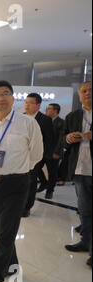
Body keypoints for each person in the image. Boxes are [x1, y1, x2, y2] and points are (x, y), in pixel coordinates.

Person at [0, 80, 43, 282]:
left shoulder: (27, 123)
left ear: (13, 98)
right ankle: (12, 262)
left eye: (6, 93)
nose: (1, 98)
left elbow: (36, 155)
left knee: (7, 232)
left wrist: (18, 170)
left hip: (16, 183)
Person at [63, 81, 92, 268]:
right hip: (80, 170)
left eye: (91, 90)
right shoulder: (73, 116)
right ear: (79, 95)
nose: (88, 93)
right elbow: (63, 140)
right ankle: (86, 241)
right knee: (85, 211)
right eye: (84, 91)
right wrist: (68, 138)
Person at [23, 93, 55, 217]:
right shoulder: (21, 117)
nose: (27, 105)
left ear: (38, 105)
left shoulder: (45, 119)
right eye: (26, 102)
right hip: (21, 156)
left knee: (31, 181)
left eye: (30, 102)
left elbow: (49, 139)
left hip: (36, 157)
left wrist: (42, 157)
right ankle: (20, 203)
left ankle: (27, 206)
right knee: (22, 181)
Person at [44, 103, 66, 198]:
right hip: (42, 151)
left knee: (52, 173)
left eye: (49, 109)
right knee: (35, 170)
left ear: (55, 111)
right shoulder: (44, 120)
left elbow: (61, 139)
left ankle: (50, 191)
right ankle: (44, 183)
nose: (46, 110)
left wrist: (57, 152)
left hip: (53, 153)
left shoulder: (62, 122)